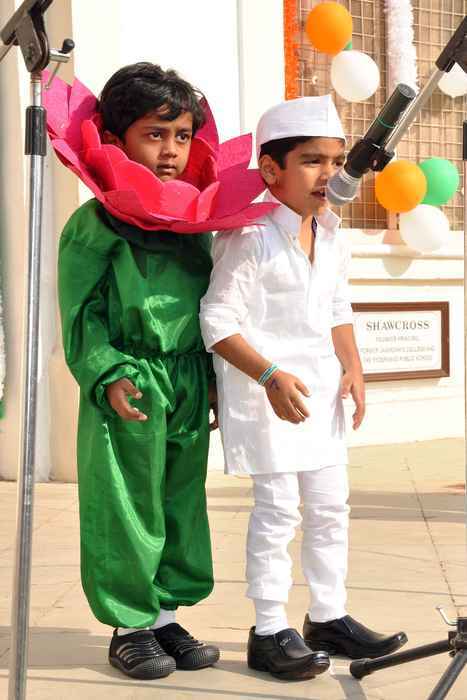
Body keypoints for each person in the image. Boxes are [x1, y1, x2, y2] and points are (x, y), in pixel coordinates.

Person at [200, 95, 407, 681]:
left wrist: (353, 367)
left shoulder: (332, 234)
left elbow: (337, 306)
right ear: (271, 170)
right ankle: (269, 630)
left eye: (337, 161)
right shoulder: (250, 236)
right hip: (266, 394)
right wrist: (268, 376)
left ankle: (328, 617)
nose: (329, 174)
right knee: (277, 511)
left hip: (319, 393)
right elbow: (217, 320)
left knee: (330, 508)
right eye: (313, 161)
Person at [58, 62, 221, 680]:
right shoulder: (95, 225)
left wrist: (211, 380)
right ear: (115, 138)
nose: (171, 150)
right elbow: (80, 313)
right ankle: (129, 625)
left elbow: (211, 307)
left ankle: (164, 614)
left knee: (180, 500)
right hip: (129, 382)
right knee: (126, 501)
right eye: (155, 134)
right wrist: (106, 372)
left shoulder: (193, 225)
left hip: (185, 380)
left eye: (182, 136)